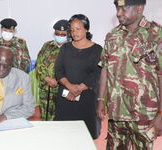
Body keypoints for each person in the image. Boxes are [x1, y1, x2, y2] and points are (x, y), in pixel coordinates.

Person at [97, 0, 162, 149]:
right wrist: (101, 99)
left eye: (124, 8)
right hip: (116, 113)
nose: (118, 13)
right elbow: (105, 69)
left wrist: (161, 113)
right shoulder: (112, 35)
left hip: (144, 115)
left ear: (139, 7)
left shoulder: (156, 35)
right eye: (117, 8)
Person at [54, 14, 102, 139]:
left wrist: (79, 89)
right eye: (72, 29)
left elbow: (96, 73)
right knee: (63, 135)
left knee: (85, 136)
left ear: (86, 29)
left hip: (86, 98)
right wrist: (70, 86)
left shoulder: (97, 49)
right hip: (65, 97)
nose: (74, 32)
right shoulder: (65, 47)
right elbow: (58, 70)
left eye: (78, 28)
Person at [35, 20, 69, 121]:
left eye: (63, 34)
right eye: (57, 34)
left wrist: (59, 81)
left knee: (63, 116)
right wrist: (46, 78)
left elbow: (73, 69)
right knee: (46, 117)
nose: (60, 36)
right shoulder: (47, 46)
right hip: (46, 89)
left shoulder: (71, 48)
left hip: (63, 90)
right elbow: (39, 64)